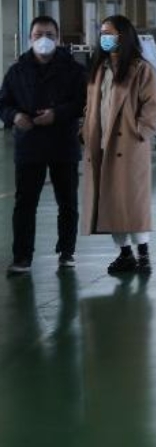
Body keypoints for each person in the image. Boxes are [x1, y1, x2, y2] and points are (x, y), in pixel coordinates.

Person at [0, 16, 87, 275]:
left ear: (58, 39)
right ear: (30, 38)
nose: (43, 40)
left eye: (49, 34)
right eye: (38, 35)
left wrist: (57, 114)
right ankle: (22, 256)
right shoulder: (17, 71)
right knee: (25, 203)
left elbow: (83, 102)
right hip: (29, 145)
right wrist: (15, 116)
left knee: (67, 202)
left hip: (63, 144)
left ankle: (67, 251)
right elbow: (3, 103)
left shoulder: (74, 70)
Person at [82, 15, 156, 276]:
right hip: (102, 145)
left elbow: (153, 105)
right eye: (102, 33)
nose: (104, 37)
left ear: (124, 36)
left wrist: (140, 131)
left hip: (128, 147)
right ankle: (125, 254)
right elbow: (92, 105)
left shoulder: (140, 69)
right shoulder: (100, 68)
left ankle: (144, 255)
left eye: (110, 33)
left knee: (133, 203)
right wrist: (85, 130)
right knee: (109, 202)